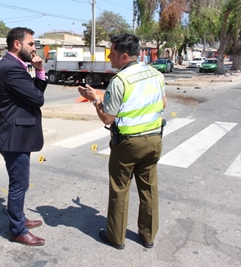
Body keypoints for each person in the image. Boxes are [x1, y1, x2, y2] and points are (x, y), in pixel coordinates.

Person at [78, 33, 167, 250]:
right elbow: (162, 103)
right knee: (149, 190)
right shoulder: (156, 74)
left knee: (119, 189)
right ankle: (148, 236)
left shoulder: (120, 80)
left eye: (113, 53)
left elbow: (108, 117)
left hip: (127, 144)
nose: (109, 57)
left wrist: (96, 100)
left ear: (124, 56)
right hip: (154, 140)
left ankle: (116, 237)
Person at [0, 27, 47, 246]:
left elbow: (33, 93)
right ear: (17, 44)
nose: (35, 48)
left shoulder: (15, 66)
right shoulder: (11, 69)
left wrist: (39, 71)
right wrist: (40, 73)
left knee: (20, 183)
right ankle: (17, 229)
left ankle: (20, 218)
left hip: (18, 134)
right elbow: (37, 97)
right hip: (15, 136)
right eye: (31, 44)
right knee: (19, 184)